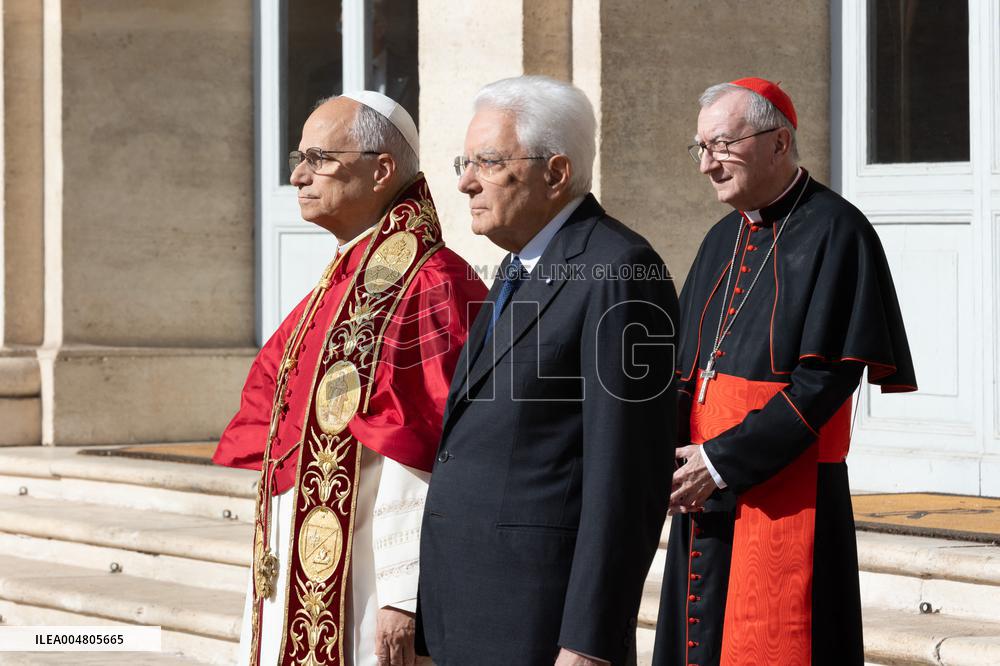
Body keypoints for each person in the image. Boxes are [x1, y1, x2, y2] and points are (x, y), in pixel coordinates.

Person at [213, 91, 487, 666]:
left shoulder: (431, 285)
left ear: (381, 169)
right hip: (299, 570)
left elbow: (424, 450)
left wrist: (406, 595)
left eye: (318, 158)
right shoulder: (341, 277)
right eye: (298, 157)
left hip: (368, 586)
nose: (296, 175)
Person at [652, 77, 917, 666]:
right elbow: (686, 371)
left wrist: (722, 461)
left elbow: (824, 381)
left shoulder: (837, 232)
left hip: (788, 495)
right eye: (699, 148)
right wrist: (660, 455)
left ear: (779, 142)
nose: (706, 165)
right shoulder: (721, 238)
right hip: (707, 494)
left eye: (720, 145)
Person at [416, 75, 678, 666]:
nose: (464, 182)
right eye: (465, 161)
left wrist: (590, 640)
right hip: (469, 608)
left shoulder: (621, 270)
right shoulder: (518, 267)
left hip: (542, 622)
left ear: (555, 173)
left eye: (487, 161)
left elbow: (627, 478)